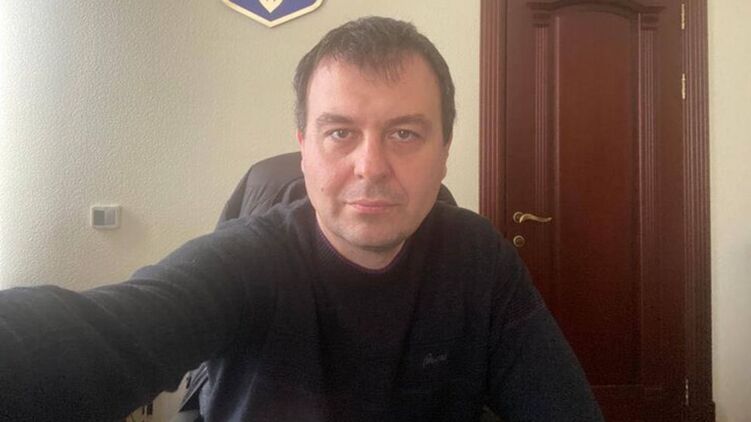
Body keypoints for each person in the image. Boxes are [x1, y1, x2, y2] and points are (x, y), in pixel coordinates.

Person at [0, 17, 603, 422]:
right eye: (340, 132)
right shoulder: (246, 260)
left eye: (404, 133)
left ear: (445, 151)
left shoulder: (481, 260)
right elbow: (102, 336)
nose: (371, 167)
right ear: (304, 150)